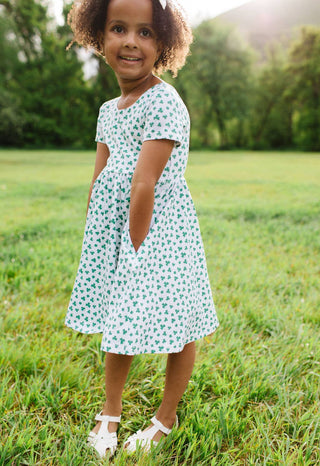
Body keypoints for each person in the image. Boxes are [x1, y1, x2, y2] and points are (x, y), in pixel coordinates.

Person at [64, 0, 219, 459]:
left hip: (160, 236)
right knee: (120, 323)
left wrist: (135, 249)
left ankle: (164, 419)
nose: (131, 41)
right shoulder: (109, 109)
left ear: (164, 43)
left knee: (182, 321)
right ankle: (110, 412)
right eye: (118, 28)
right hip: (118, 236)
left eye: (146, 32)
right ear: (98, 35)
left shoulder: (165, 101)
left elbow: (145, 182)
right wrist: (98, 239)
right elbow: (100, 176)